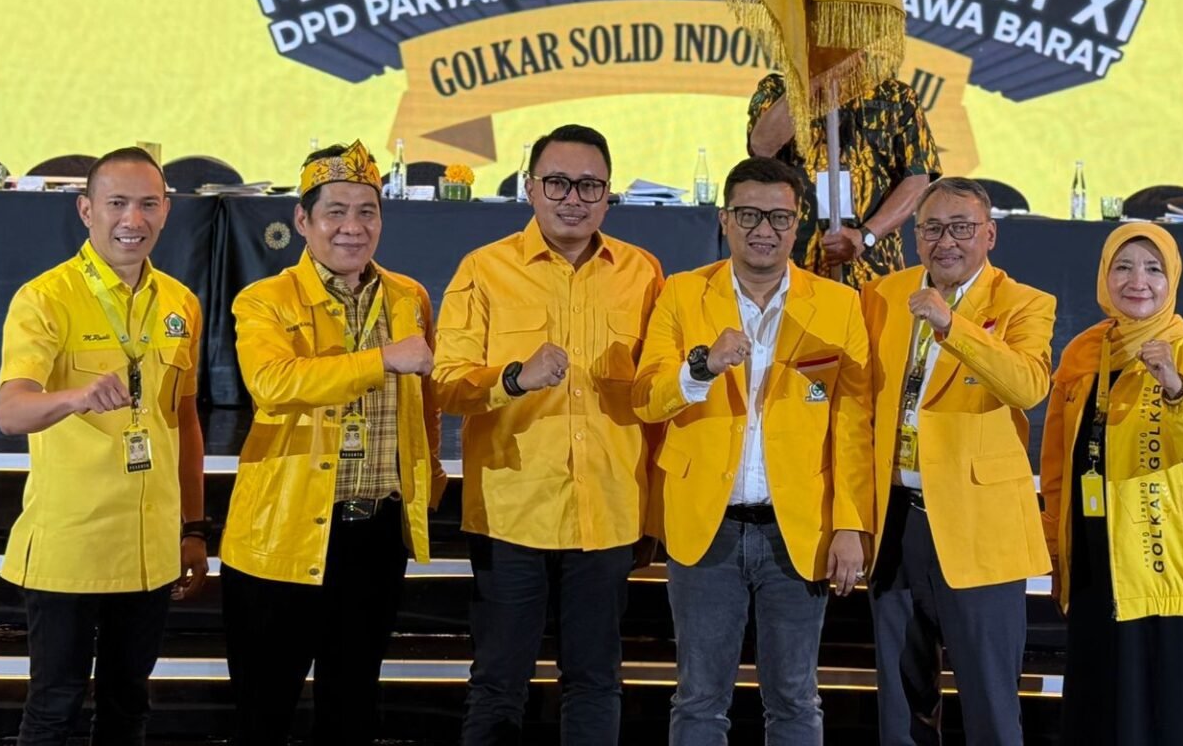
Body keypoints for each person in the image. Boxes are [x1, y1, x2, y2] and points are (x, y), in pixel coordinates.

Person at [434, 123, 663, 745]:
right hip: (512, 511)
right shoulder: (484, 269)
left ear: (608, 194)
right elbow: (446, 384)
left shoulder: (642, 272)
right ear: (529, 187)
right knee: (498, 683)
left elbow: (658, 394)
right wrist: (513, 378)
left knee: (595, 680)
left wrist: (655, 509)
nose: (573, 199)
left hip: (608, 509)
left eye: (590, 185)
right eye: (557, 182)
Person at [632, 156, 874, 744]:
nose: (763, 229)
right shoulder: (682, 294)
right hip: (705, 523)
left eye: (778, 217)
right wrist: (702, 367)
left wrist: (851, 523)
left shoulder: (838, 304)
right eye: (748, 215)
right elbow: (647, 399)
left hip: (799, 528)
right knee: (699, 700)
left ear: (798, 223)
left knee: (795, 700)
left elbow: (853, 424)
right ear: (725, 219)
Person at [219, 141, 445, 746]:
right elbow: (273, 384)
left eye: (367, 211)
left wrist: (430, 473)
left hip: (376, 535)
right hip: (284, 533)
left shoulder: (408, 297)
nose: (353, 226)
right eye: (336, 211)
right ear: (302, 219)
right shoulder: (264, 299)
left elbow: (426, 396)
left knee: (351, 711)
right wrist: (381, 359)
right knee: (263, 715)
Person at [0, 147, 207, 745]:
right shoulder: (46, 298)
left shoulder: (180, 302)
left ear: (166, 210)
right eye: (117, 203)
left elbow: (183, 419)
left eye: (148, 204)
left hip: (150, 548)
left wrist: (194, 527)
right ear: (86, 210)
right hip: (73, 544)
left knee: (128, 703)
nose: (132, 220)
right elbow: (11, 412)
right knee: (53, 708)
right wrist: (75, 397)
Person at [861, 177, 1055, 746]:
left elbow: (1027, 386)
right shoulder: (881, 295)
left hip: (979, 526)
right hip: (896, 519)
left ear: (989, 234)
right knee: (902, 708)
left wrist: (952, 326)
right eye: (933, 229)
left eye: (962, 228)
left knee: (990, 705)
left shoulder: (1024, 302)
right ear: (915, 236)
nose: (946, 242)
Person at [1040, 223, 1183, 746]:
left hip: (1165, 564)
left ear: (1173, 279)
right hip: (1093, 561)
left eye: (1154, 269)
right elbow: (1058, 461)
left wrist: (1175, 386)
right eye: (1123, 267)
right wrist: (1054, 543)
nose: (1138, 281)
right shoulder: (1082, 353)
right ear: (1104, 276)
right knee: (1100, 715)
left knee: (1167, 716)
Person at [747, 73, 938, 287]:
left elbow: (917, 179)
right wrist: (814, 81)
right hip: (795, 267)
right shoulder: (777, 88)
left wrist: (865, 236)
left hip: (874, 269)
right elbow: (762, 146)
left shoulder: (896, 96)